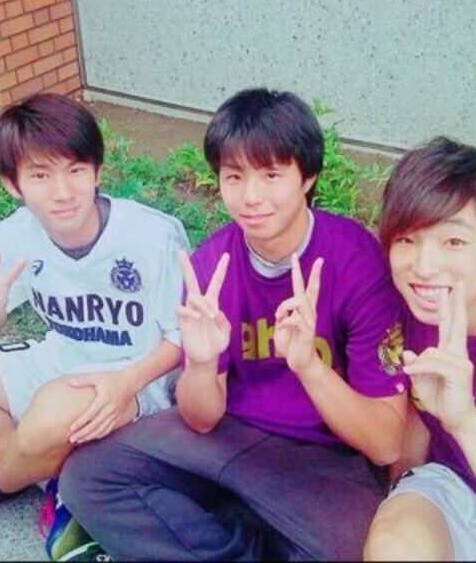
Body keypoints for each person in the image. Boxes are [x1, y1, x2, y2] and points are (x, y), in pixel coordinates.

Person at [59, 87, 409, 561]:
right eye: (234, 176)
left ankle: (225, 534)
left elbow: (386, 444)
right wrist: (202, 364)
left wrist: (309, 367)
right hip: (226, 437)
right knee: (89, 476)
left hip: (321, 459)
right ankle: (246, 540)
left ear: (307, 176)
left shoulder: (357, 262)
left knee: (355, 550)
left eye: (271, 174)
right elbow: (201, 418)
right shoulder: (212, 265)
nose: (251, 197)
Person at [0, 93, 189, 561]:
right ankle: (59, 480)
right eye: (40, 175)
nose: (63, 192)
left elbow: (185, 336)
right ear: (12, 184)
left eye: (75, 170)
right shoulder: (17, 234)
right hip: (58, 360)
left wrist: (127, 382)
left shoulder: (150, 235)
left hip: (136, 379)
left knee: (50, 415)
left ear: (97, 171)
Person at [363, 136, 476, 561]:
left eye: (453, 242)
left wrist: (464, 421)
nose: (424, 267)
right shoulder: (405, 305)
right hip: (452, 485)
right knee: (396, 544)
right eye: (407, 239)